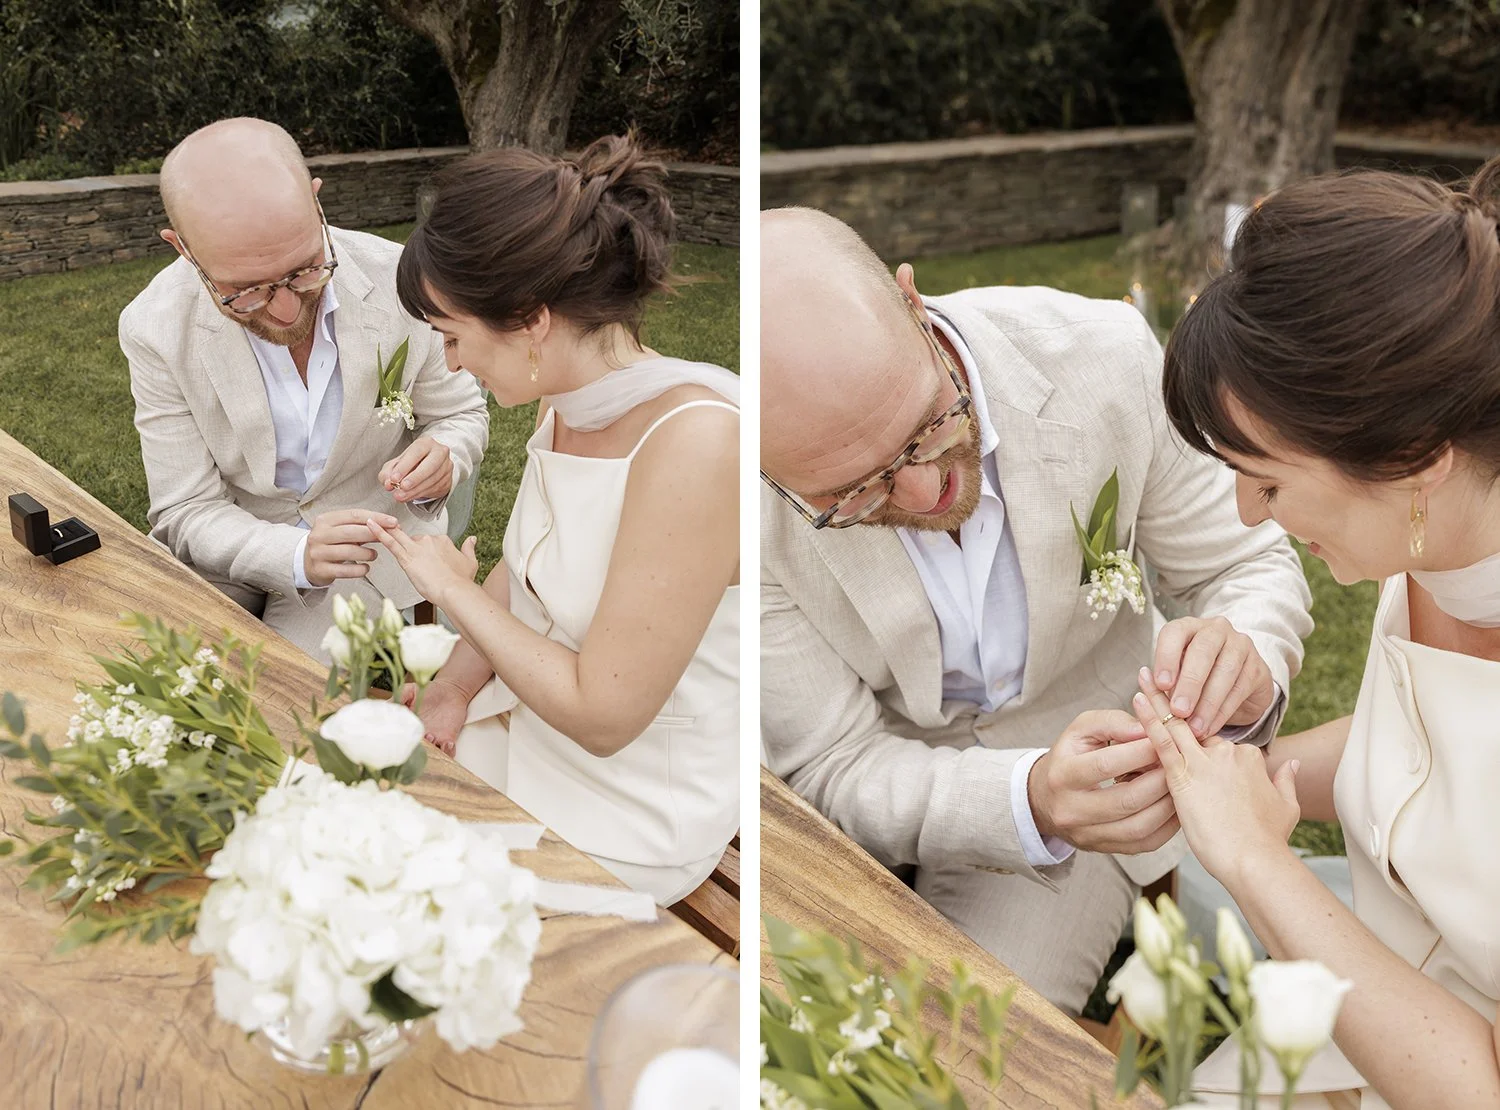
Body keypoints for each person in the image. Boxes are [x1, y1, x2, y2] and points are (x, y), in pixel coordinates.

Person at [759, 207, 1313, 1013]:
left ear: (915, 305)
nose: (922, 494)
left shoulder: (1107, 361)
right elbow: (830, 763)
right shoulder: (749, 505)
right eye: (853, 493)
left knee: (962, 1064)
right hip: (883, 785)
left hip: (1095, 787)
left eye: (925, 430)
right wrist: (1023, 796)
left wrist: (1249, 655)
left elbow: (1243, 559)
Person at [1135, 161, 1500, 1109]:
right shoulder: (1445, 545)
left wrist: (1254, 860)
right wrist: (1221, 780)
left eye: (1267, 478)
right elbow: (1430, 753)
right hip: (1343, 1036)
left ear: (1416, 460)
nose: (1250, 517)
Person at [367, 135, 739, 907]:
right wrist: (453, 691)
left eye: (452, 335)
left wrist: (450, 590)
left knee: (386, 891)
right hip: (528, 735)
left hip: (629, 811)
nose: (454, 363)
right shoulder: (571, 401)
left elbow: (604, 717)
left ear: (531, 320)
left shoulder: (696, 443)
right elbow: (523, 566)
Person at [120, 117, 488, 660]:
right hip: (222, 548)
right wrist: (294, 553)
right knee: (151, 676)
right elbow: (185, 509)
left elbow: (461, 414)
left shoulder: (399, 281)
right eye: (243, 293)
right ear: (183, 249)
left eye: (304, 270)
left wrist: (447, 456)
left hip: (364, 553)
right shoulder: (153, 326)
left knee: (280, 699)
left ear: (317, 203)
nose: (287, 309)